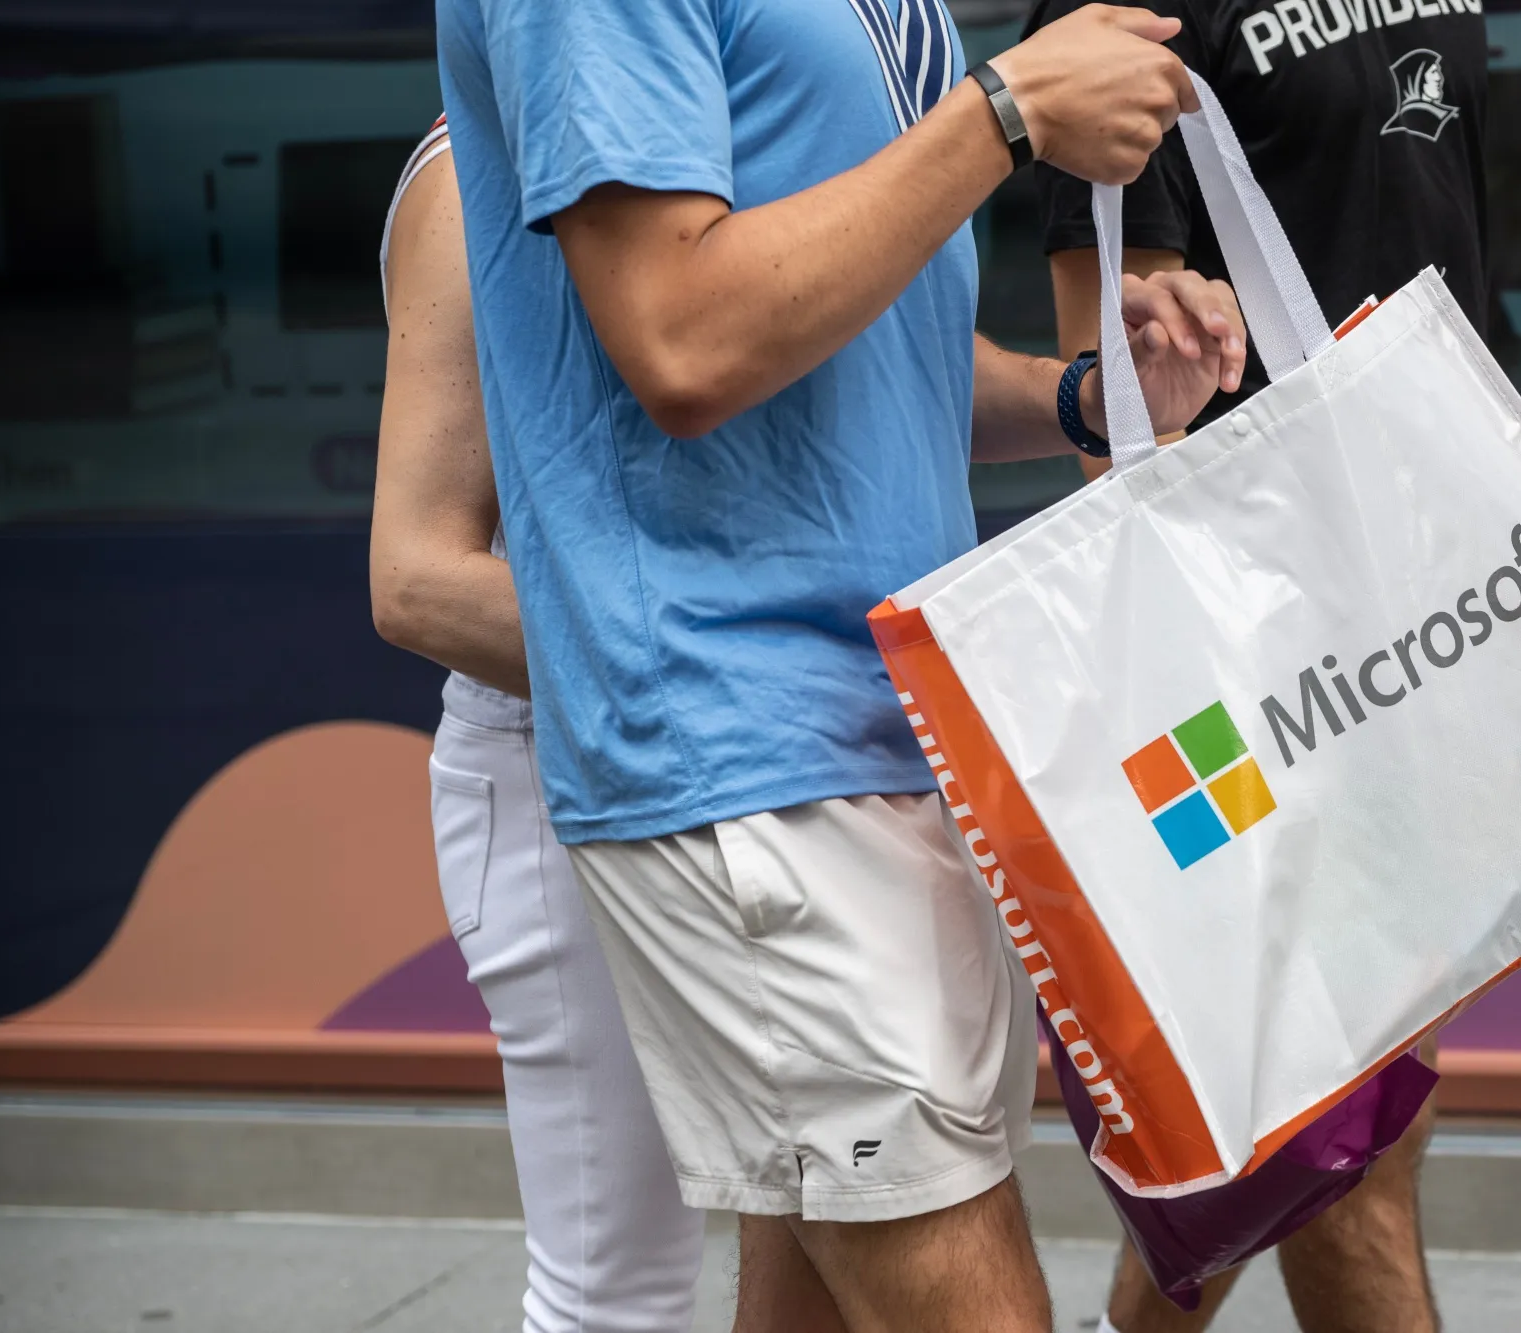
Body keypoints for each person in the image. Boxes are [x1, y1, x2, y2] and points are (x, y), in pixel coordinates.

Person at [432, 1, 1249, 1328]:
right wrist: (1002, 115)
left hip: (889, 725)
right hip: (739, 738)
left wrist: (1079, 397)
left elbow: (872, 347)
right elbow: (684, 336)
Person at [1028, 0, 1491, 1329]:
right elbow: (1115, 393)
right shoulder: (1125, 13)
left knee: (1314, 1127)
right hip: (1275, 646)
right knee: (1356, 1141)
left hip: (1439, 593)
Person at [369, 119, 707, 1333]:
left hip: (770, 758)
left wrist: (1073, 394)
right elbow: (416, 581)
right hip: (568, 770)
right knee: (615, 1286)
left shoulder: (730, 120)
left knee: (841, 1220)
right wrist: (738, 658)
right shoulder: (477, 174)